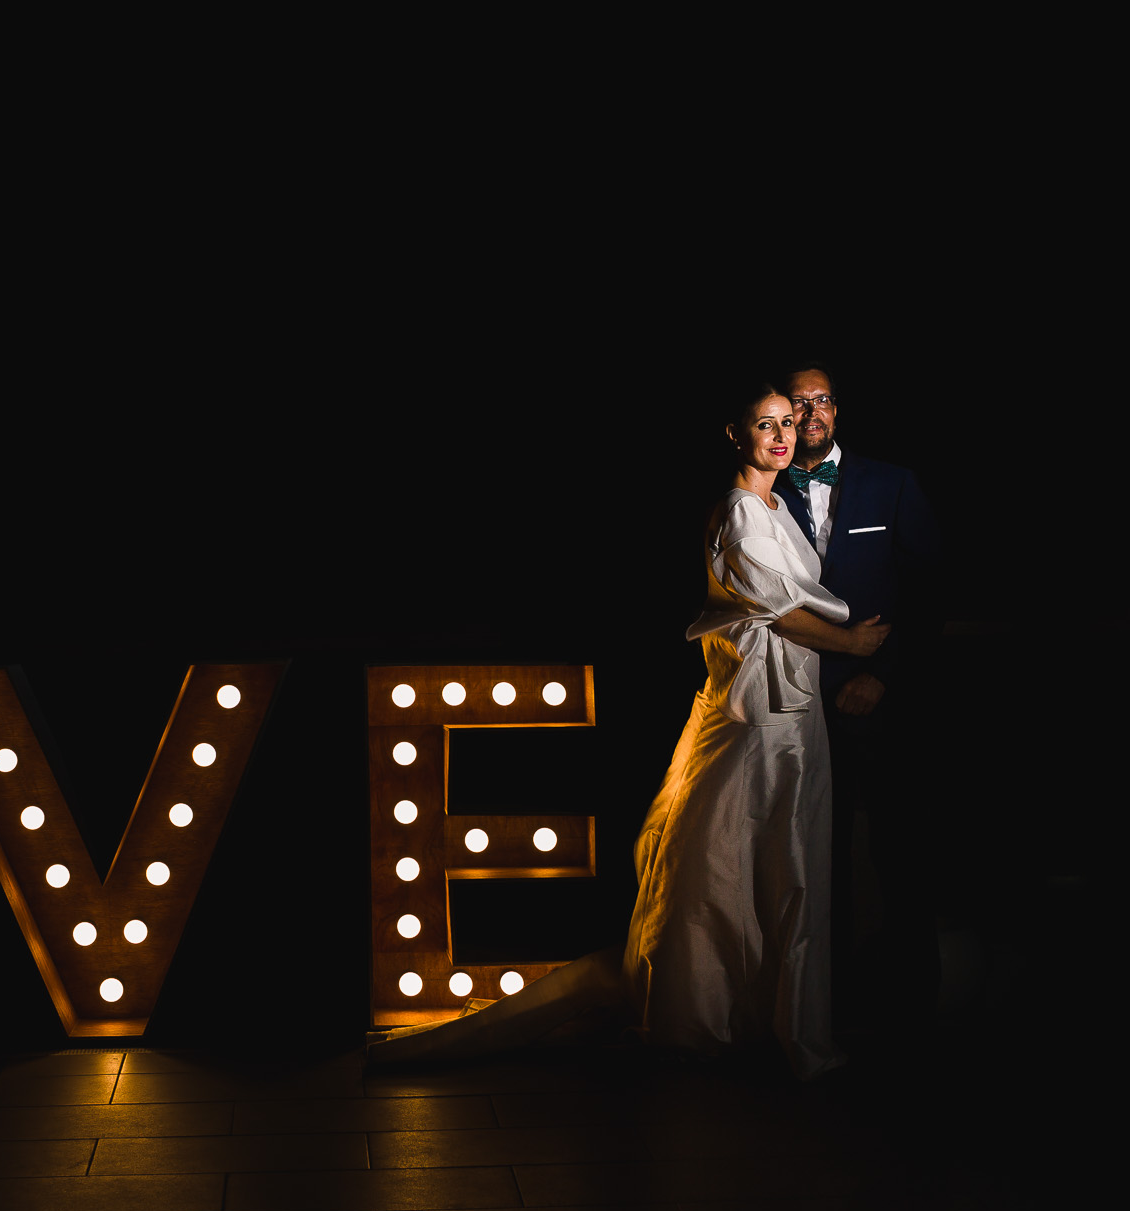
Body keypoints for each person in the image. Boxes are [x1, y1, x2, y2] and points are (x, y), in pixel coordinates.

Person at [368, 388, 889, 1080]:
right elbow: (780, 609)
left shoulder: (771, 506)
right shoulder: (738, 510)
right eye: (766, 425)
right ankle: (713, 1016)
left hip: (789, 712)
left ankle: (756, 1013)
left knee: (769, 863)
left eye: (787, 424)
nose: (782, 436)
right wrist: (851, 644)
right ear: (735, 434)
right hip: (757, 715)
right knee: (739, 861)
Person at [771, 367, 942, 1038]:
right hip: (796, 704)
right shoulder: (764, 490)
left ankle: (912, 1007)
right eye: (795, 403)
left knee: (900, 851)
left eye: (820, 401)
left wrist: (885, 677)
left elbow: (928, 594)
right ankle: (827, 1009)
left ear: (835, 411)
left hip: (880, 701)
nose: (808, 413)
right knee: (815, 858)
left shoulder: (891, 482)